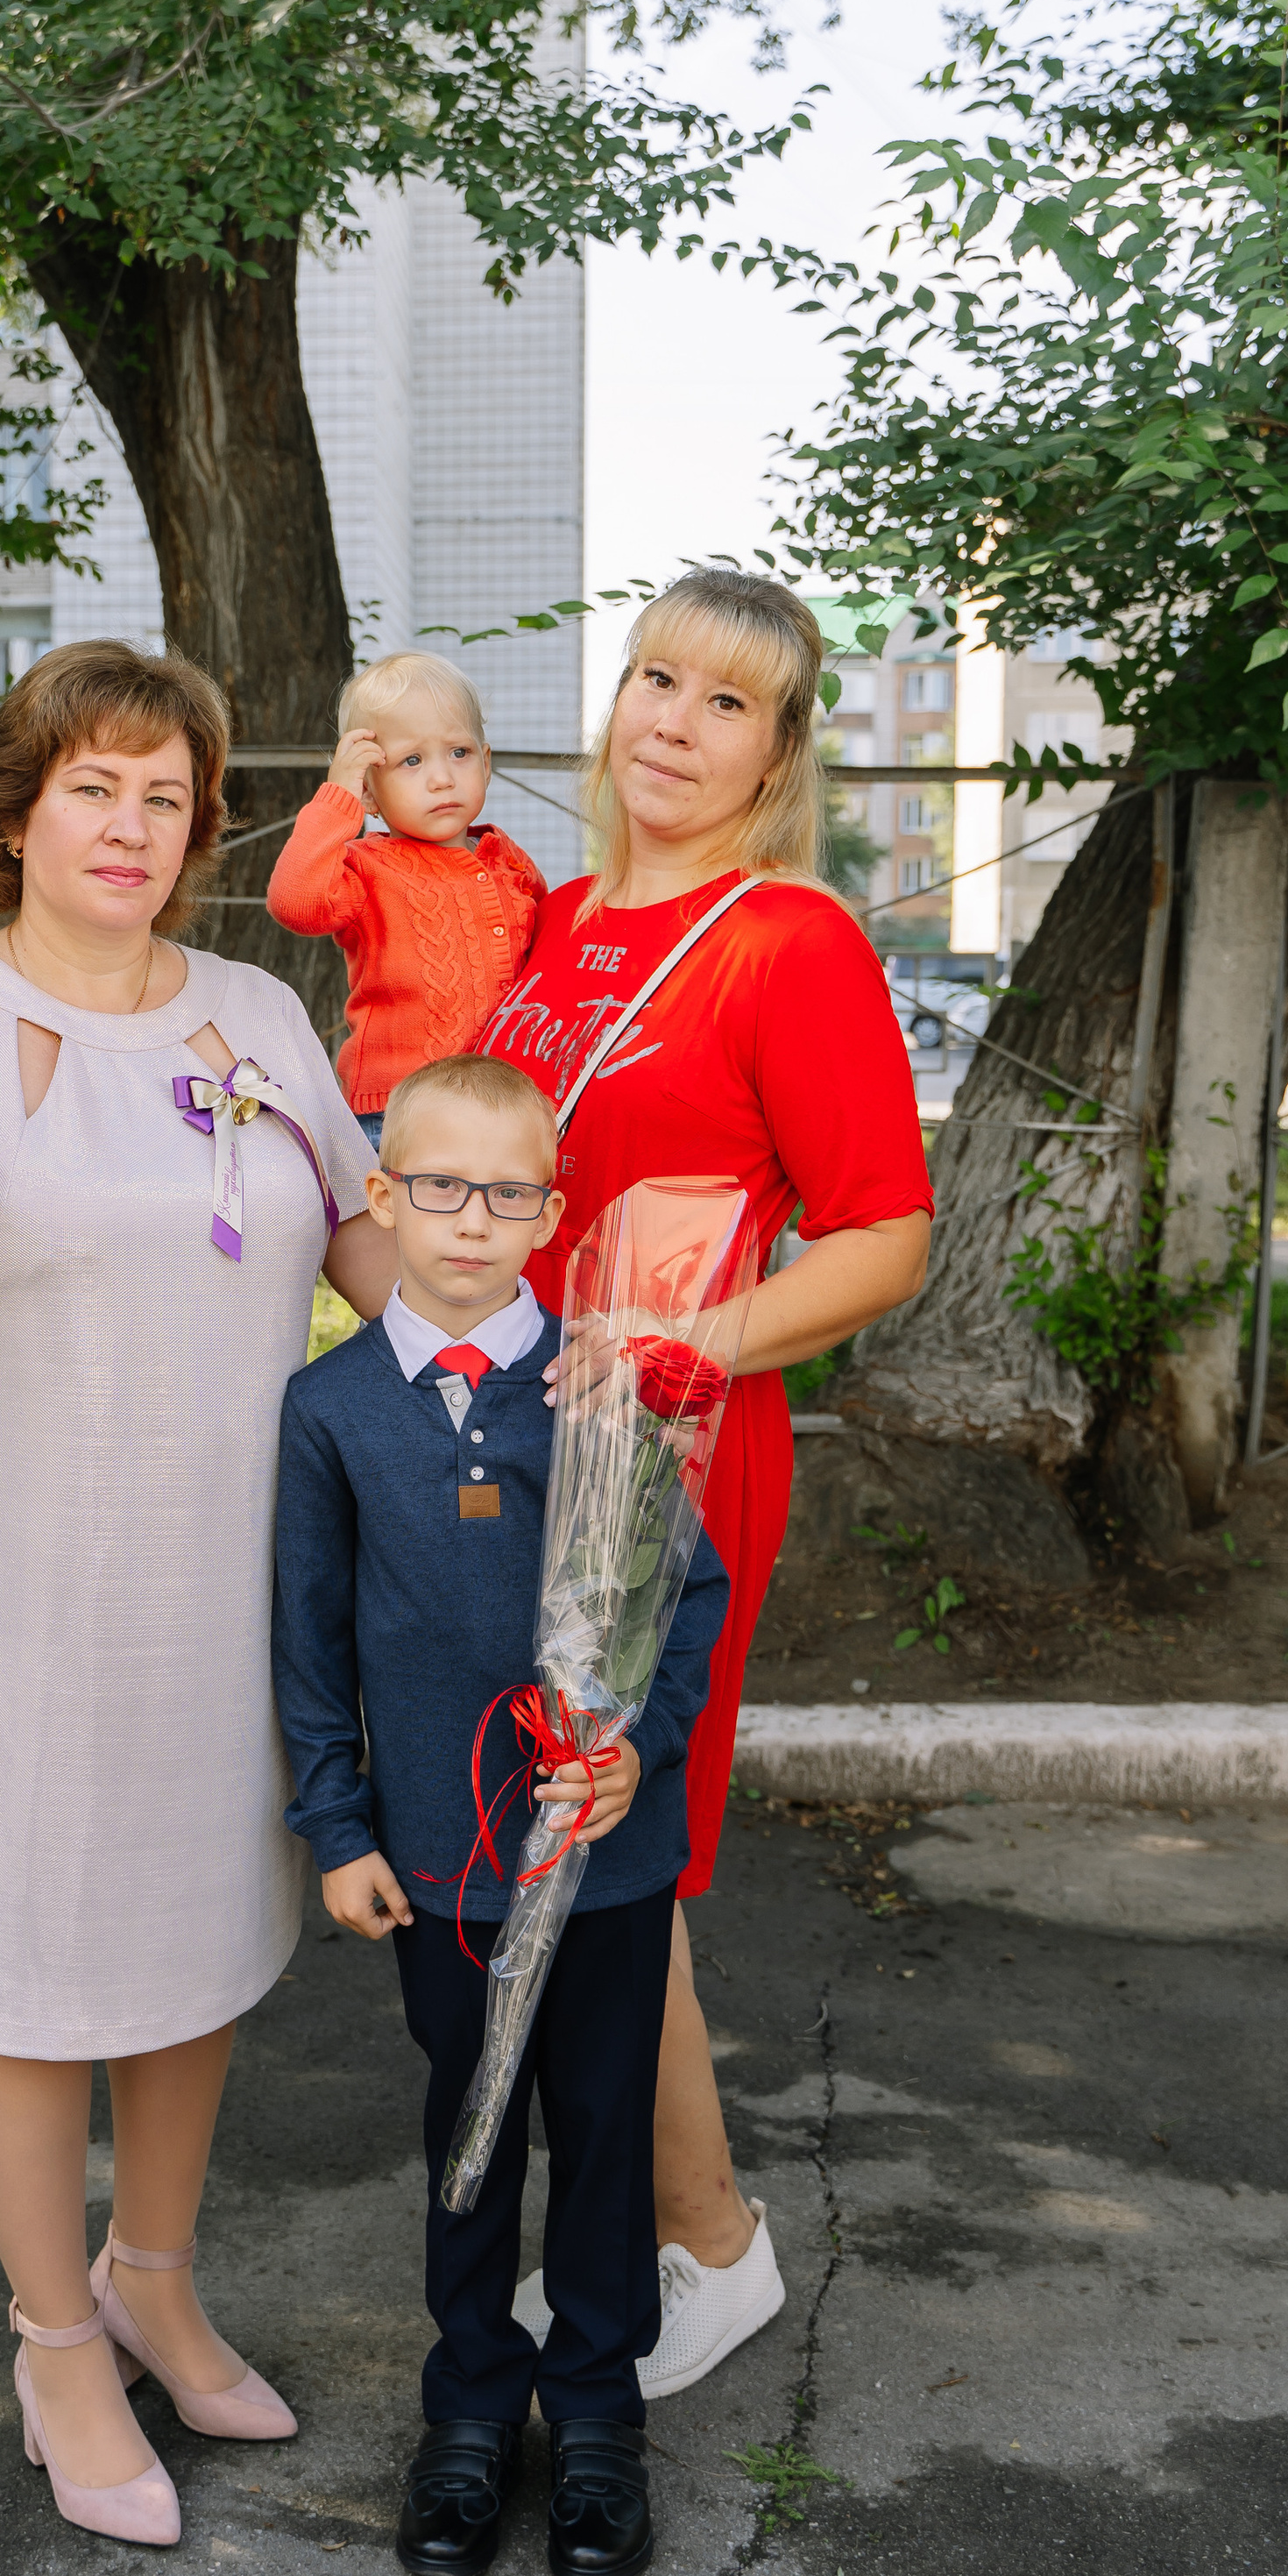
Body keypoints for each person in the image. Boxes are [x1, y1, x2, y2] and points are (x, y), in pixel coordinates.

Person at [0, 640, 396, 2551]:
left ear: (202, 827)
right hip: (14, 1600)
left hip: (229, 1583)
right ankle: (53, 2339)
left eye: (168, 794)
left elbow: (374, 1247)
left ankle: (156, 2276)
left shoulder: (264, 1021)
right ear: (17, 811)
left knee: (193, 1943)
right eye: (92, 787)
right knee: (34, 1969)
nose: (131, 824)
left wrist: (548, 1356)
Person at [480, 569, 933, 2397]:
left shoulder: (787, 940)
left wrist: (708, 1343)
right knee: (541, 1826)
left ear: (778, 750)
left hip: (665, 1449)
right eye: (653, 678)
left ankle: (709, 2244)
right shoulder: (552, 917)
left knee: (609, 1846)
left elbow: (885, 1231)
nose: (670, 719)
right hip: (509, 1427)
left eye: (725, 701)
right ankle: (642, 2227)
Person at [272, 1053, 727, 2576]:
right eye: (440, 1187)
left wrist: (634, 1755)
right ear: (384, 1198)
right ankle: (468, 2405)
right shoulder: (330, 1408)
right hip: (444, 1865)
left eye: (510, 1191)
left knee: (600, 2137)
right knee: (468, 2135)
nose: (474, 1220)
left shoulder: (605, 1382)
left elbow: (689, 1598)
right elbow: (309, 1636)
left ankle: (595, 2415)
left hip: (603, 1859)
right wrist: (338, 1828)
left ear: (555, 1208)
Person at [265, 651, 547, 1148]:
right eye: (411, 761)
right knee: (403, 1226)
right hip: (397, 1111)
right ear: (369, 795)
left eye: (458, 752)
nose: (442, 778)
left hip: (508, 1107)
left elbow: (549, 964)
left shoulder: (509, 862)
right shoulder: (363, 868)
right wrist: (338, 799)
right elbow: (295, 902)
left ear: (485, 760)